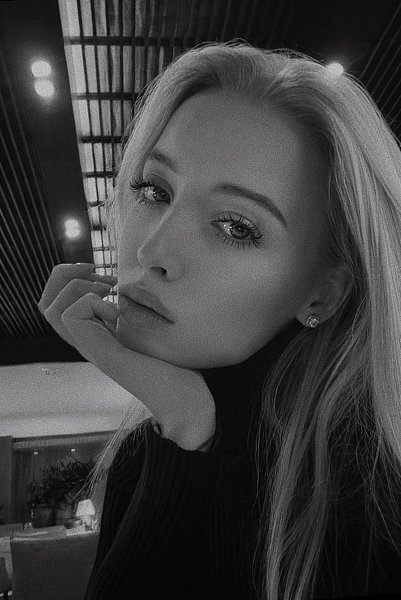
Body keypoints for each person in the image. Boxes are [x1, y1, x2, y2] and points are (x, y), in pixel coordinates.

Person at [37, 41, 401, 599]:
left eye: (236, 227)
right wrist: (187, 429)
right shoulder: (146, 453)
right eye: (155, 190)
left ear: (322, 295)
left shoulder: (373, 502)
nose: (151, 249)